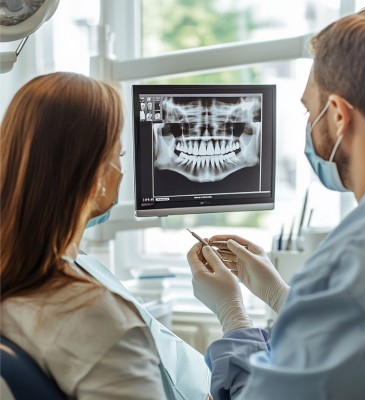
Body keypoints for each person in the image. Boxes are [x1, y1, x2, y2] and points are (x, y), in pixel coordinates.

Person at [187, 4, 365, 400]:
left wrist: (234, 320)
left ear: (337, 115)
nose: (307, 125)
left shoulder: (355, 262)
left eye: (309, 110)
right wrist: (284, 299)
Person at [0, 72, 211, 400]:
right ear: (96, 174)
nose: (122, 171)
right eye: (120, 156)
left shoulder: (24, 269)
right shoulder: (96, 318)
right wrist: (236, 321)